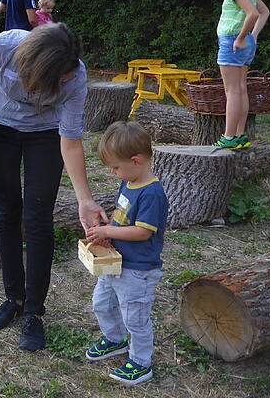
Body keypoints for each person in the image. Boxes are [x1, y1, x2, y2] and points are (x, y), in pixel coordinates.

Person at [0, 22, 108, 352]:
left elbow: (71, 140)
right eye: (56, 79)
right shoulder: (3, 47)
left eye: (64, 78)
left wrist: (84, 199)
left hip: (45, 138)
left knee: (38, 219)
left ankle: (33, 311)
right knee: (6, 212)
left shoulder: (75, 76)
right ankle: (12, 298)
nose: (62, 83)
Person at [84, 121, 168, 386]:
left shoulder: (152, 193)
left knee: (136, 317)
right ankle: (114, 339)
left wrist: (109, 232)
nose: (112, 172)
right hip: (116, 262)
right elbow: (124, 220)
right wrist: (109, 228)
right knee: (102, 303)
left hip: (138, 269)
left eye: (116, 167)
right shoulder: (129, 182)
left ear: (136, 160)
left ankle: (141, 362)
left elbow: (143, 232)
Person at [211, 0, 270, 149]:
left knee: (232, 91)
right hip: (242, 44)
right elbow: (264, 12)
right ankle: (239, 135)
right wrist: (252, 36)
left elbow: (253, 14)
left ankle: (228, 137)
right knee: (241, 89)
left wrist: (242, 37)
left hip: (232, 43)